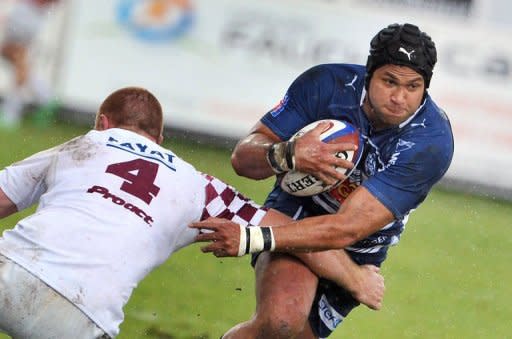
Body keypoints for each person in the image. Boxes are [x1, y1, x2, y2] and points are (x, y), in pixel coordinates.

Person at [0, 86, 384, 338]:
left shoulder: (92, 142)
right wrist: (355, 278)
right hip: (83, 316)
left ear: (103, 123)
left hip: (10, 271)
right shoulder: (197, 184)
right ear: (161, 139)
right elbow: (286, 232)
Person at [191, 23, 454, 338]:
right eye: (390, 81)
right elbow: (243, 159)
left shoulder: (431, 141)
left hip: (361, 245)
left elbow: (347, 229)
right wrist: (287, 155)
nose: (399, 97)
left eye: (413, 86)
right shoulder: (326, 85)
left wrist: (251, 237)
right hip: (297, 211)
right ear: (370, 74)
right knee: (280, 323)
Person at [0, 0, 60, 128]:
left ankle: (10, 114)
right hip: (29, 15)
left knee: (20, 67)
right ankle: (46, 97)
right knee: (21, 67)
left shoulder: (32, 11)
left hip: (27, 16)